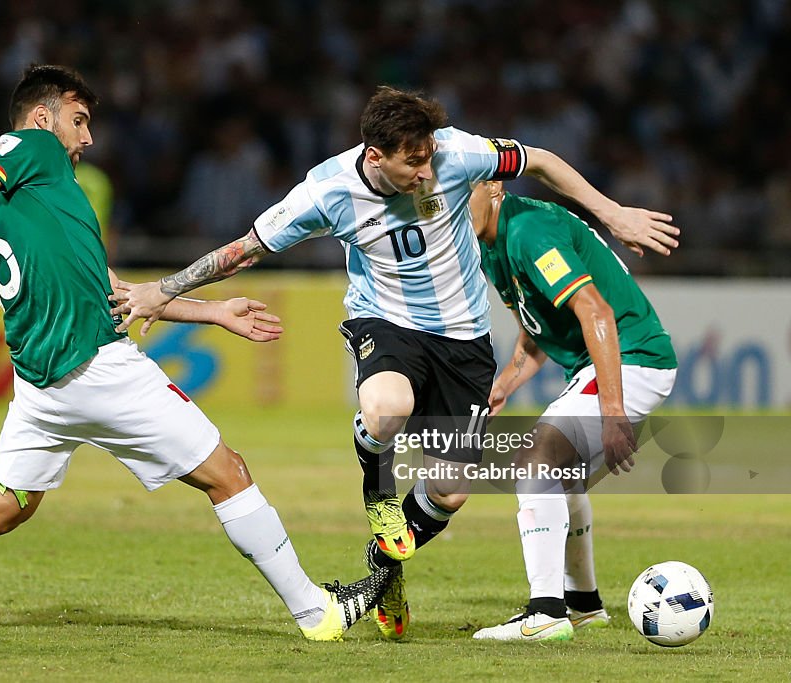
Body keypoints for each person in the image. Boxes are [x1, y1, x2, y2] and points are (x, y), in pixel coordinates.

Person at [0, 65, 391, 642]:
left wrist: (211, 311)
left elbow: (116, 293)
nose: (87, 139)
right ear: (43, 118)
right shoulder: (33, 148)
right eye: (79, 121)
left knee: (5, 506)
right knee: (229, 474)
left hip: (41, 385)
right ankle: (317, 614)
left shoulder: (32, 200)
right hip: (95, 365)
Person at [117, 86, 679, 640]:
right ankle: (378, 488)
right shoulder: (325, 191)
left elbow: (542, 161)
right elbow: (244, 249)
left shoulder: (457, 154)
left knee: (453, 489)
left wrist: (614, 213)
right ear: (374, 156)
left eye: (429, 158)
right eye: (413, 163)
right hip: (385, 323)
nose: (425, 174)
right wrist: (164, 291)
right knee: (387, 409)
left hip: (464, 341)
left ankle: (383, 572)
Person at [468, 180, 678, 641]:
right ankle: (583, 605)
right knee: (561, 477)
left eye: (458, 195)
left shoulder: (529, 232)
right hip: (614, 364)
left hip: (631, 359)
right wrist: (505, 383)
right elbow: (539, 322)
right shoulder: (489, 241)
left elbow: (596, 313)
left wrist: (613, 412)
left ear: (493, 187)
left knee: (536, 460)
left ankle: (544, 612)